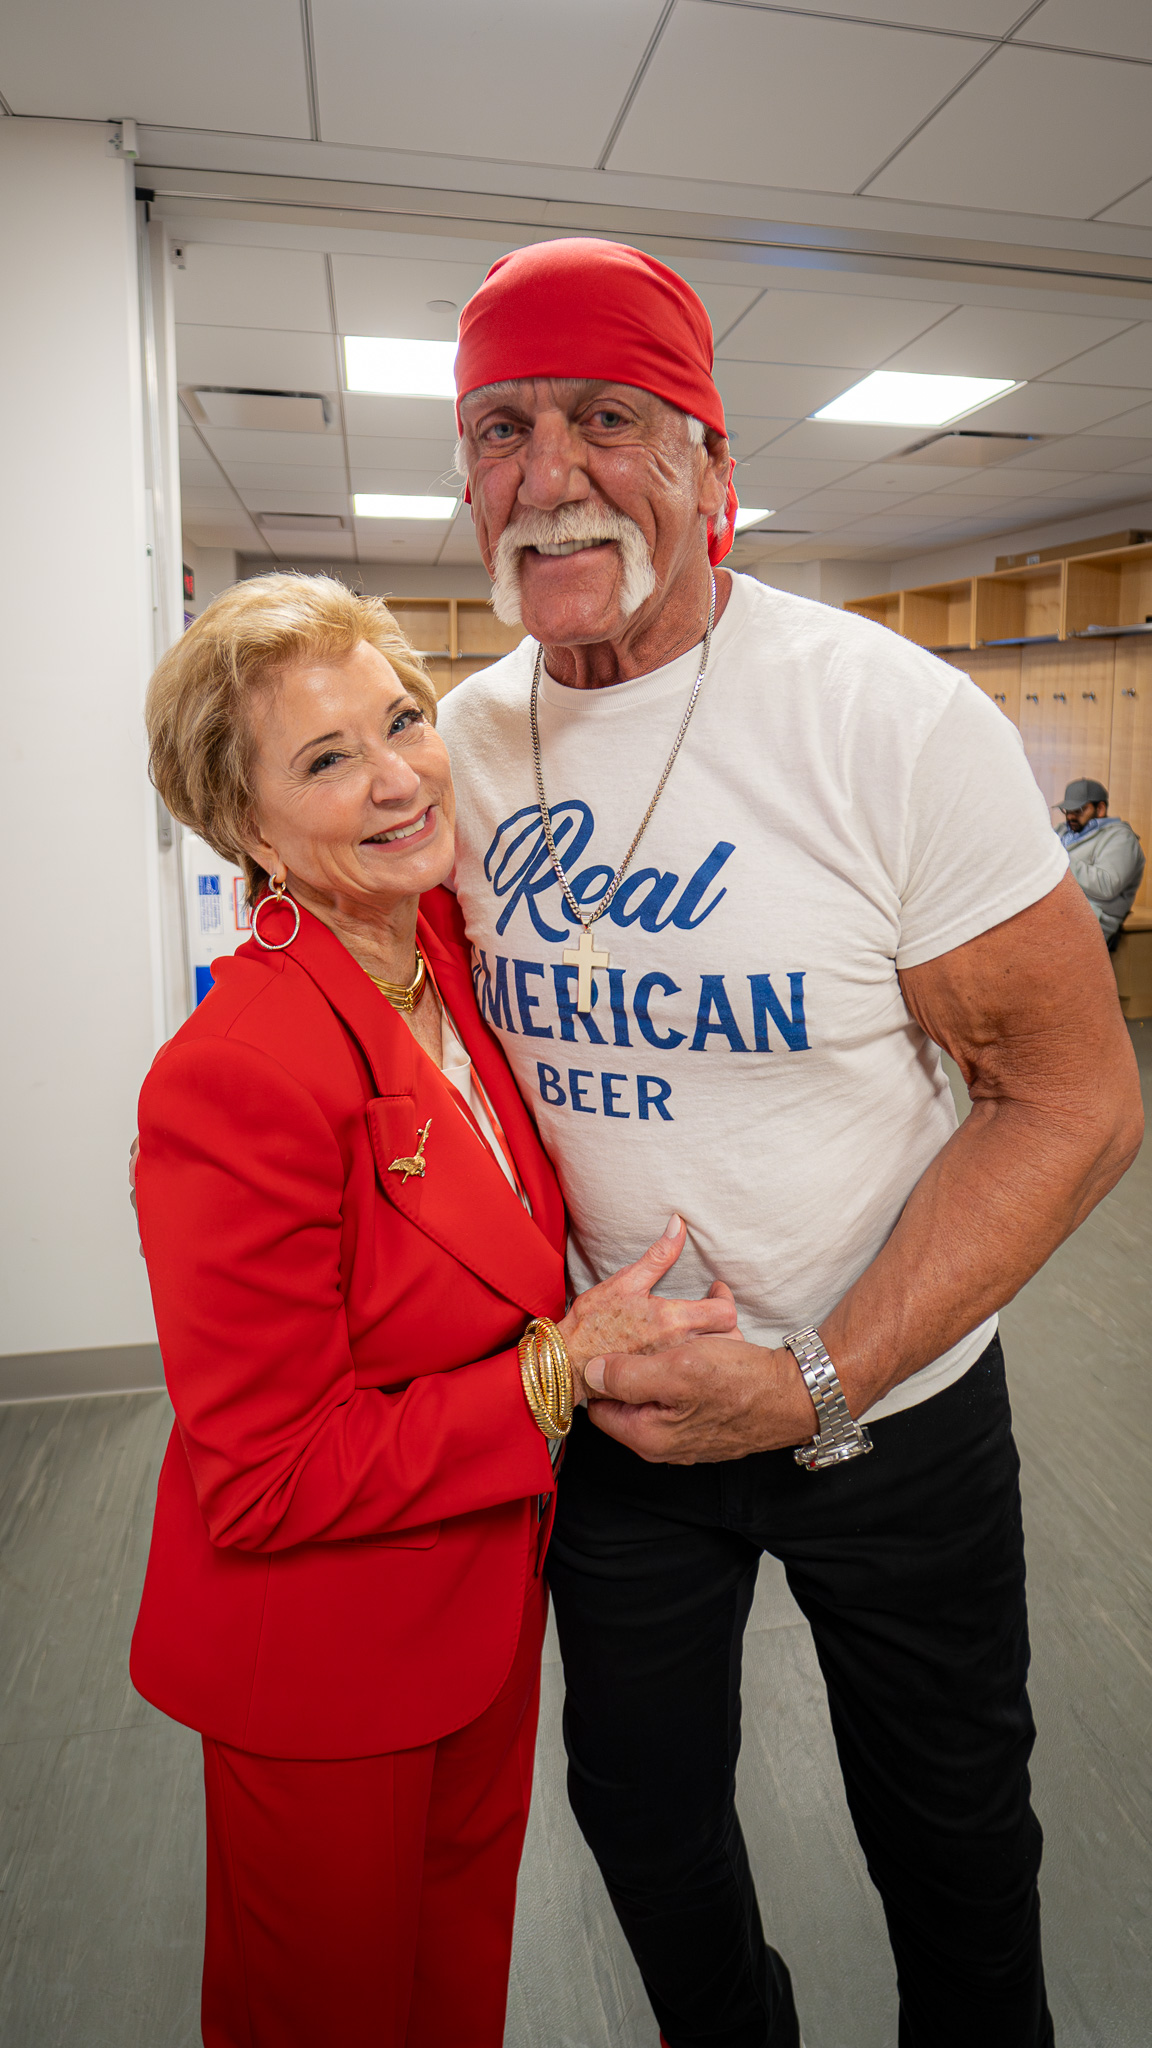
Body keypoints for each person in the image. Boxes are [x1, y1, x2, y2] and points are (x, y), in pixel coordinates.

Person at [436, 238, 1145, 2048]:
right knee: (645, 1816)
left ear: (708, 469)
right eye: (501, 428)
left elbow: (1071, 1098)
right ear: (469, 483)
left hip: (886, 1410)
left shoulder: (884, 715)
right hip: (620, 1408)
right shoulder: (460, 742)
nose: (552, 470)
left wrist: (817, 1375)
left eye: (608, 417)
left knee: (951, 1834)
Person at [128, 573, 735, 2048]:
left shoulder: (442, 955)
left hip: (474, 1610)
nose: (399, 775)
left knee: (452, 1989)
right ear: (248, 826)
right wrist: (555, 1374)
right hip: (324, 1662)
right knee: (326, 2017)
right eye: (326, 759)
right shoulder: (237, 1075)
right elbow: (265, 1477)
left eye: (403, 720)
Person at [1056, 776, 1145, 949]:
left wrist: (1058, 858)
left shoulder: (1121, 838)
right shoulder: (1062, 831)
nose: (1071, 816)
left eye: (1079, 810)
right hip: (1056, 909)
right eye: (1067, 810)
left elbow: (1106, 885)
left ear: (1101, 809)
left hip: (1092, 916)